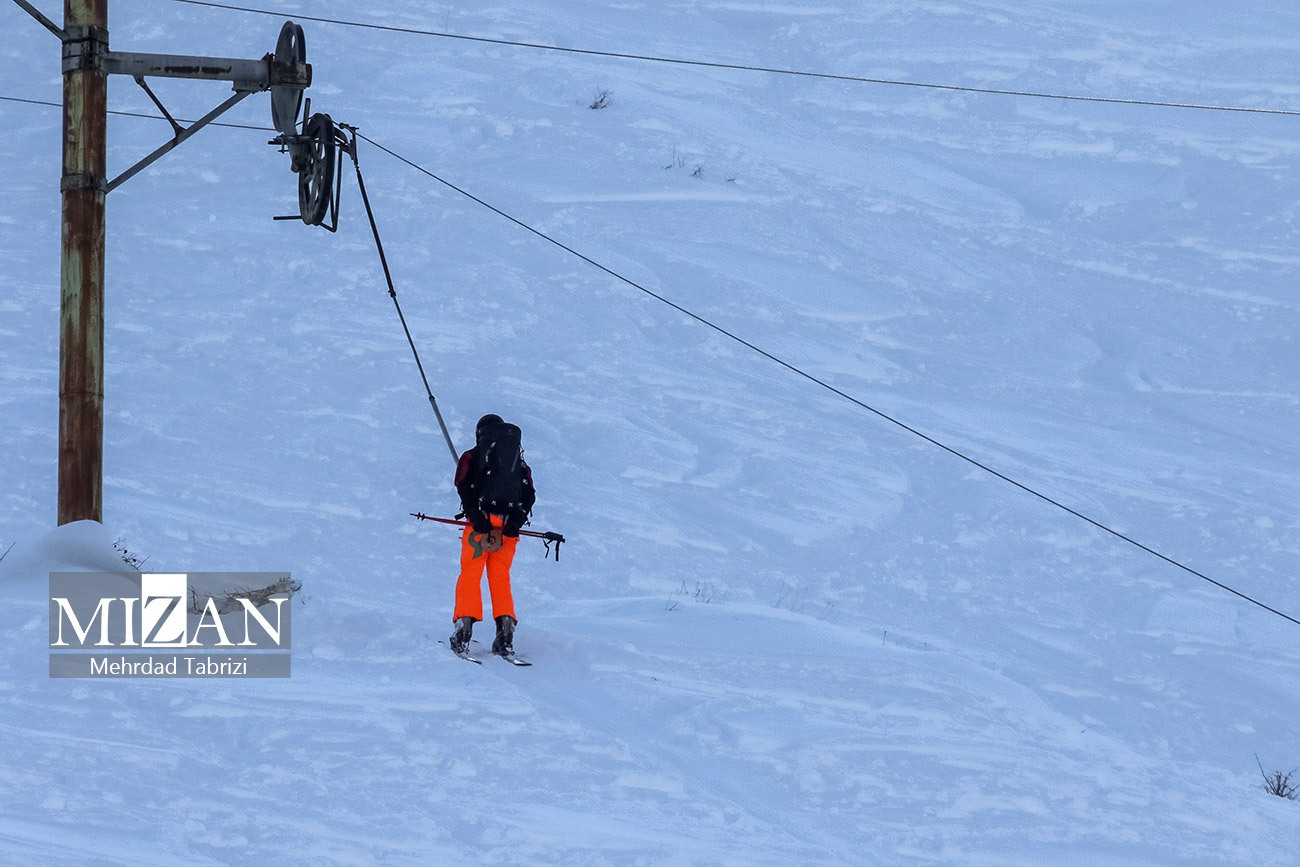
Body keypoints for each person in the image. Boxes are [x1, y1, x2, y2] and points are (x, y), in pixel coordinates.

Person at [449, 414, 536, 657]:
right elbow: (529, 495)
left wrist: (476, 517)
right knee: (500, 578)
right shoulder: (517, 462)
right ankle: (505, 634)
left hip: (479, 527)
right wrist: (515, 522)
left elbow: (463, 487)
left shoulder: (472, 456)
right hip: (507, 529)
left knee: (470, 574)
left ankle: (463, 630)